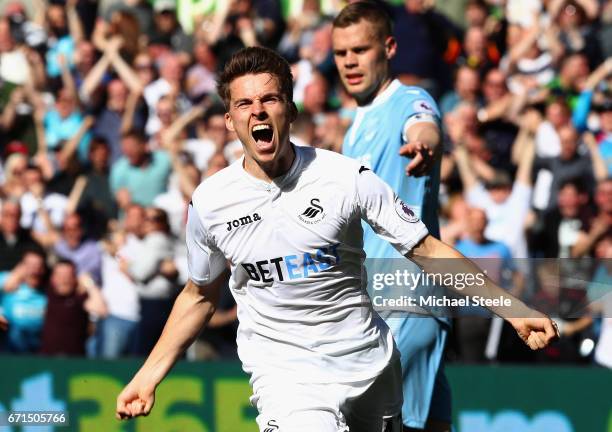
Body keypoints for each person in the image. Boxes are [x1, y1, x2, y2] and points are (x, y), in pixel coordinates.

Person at [116, 47, 558, 431]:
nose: (258, 112)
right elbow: (198, 295)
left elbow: (427, 251)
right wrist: (147, 375)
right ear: (230, 121)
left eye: (269, 99)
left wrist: (512, 309)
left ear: (289, 109)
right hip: (286, 377)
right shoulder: (211, 201)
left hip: (368, 367)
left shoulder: (345, 177)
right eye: (245, 104)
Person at [332, 3, 450, 430]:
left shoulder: (409, 100)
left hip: (406, 294)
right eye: (341, 53)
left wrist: (424, 145)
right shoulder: (355, 123)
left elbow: (424, 126)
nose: (350, 61)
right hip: (378, 298)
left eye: (360, 50)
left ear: (389, 47)